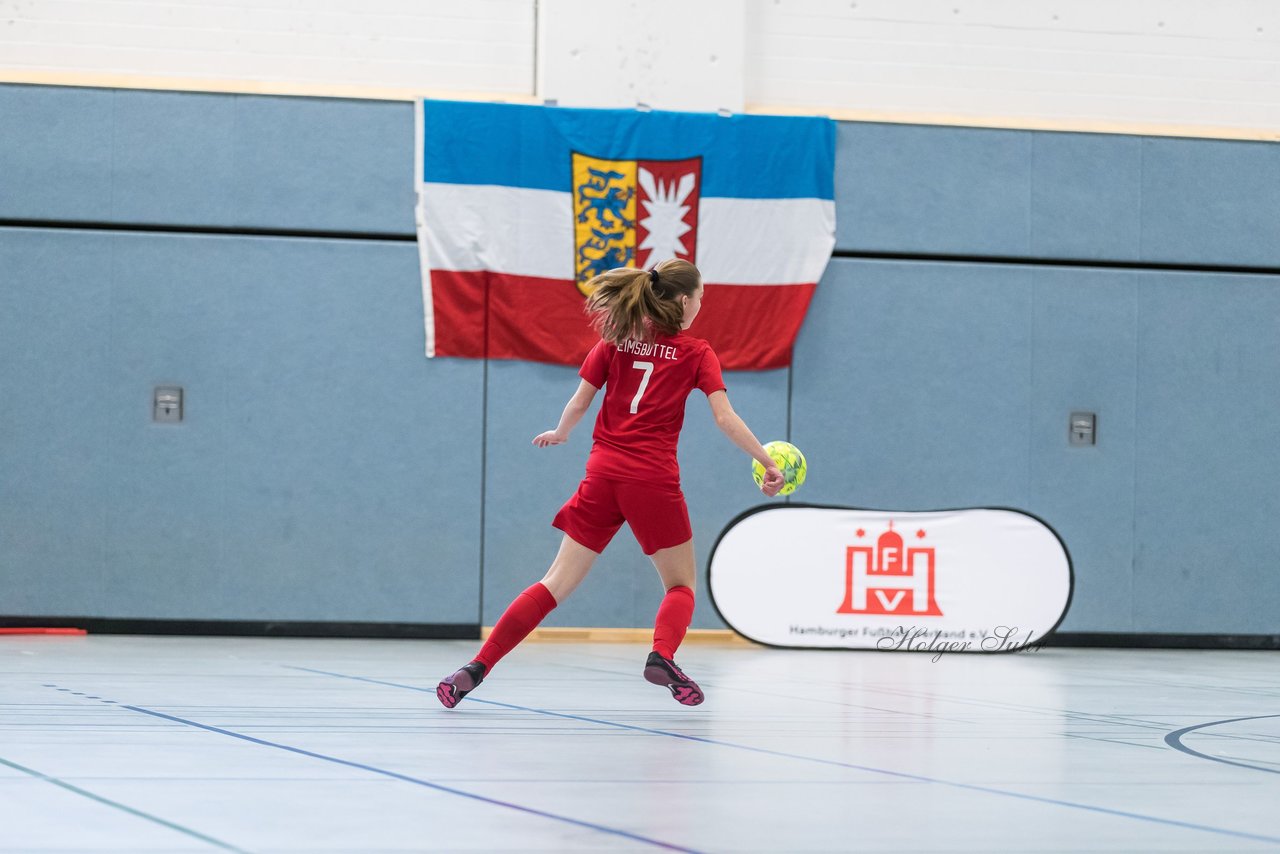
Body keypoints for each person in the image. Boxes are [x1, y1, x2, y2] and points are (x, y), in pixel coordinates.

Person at [437, 258, 784, 709]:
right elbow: (724, 417)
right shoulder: (697, 353)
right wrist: (766, 459)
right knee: (680, 587)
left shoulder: (616, 341)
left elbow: (580, 401)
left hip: (602, 475)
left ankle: (476, 667)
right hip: (653, 480)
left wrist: (561, 433)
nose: (701, 304)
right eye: (700, 296)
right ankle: (662, 655)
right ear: (683, 300)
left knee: (553, 584)